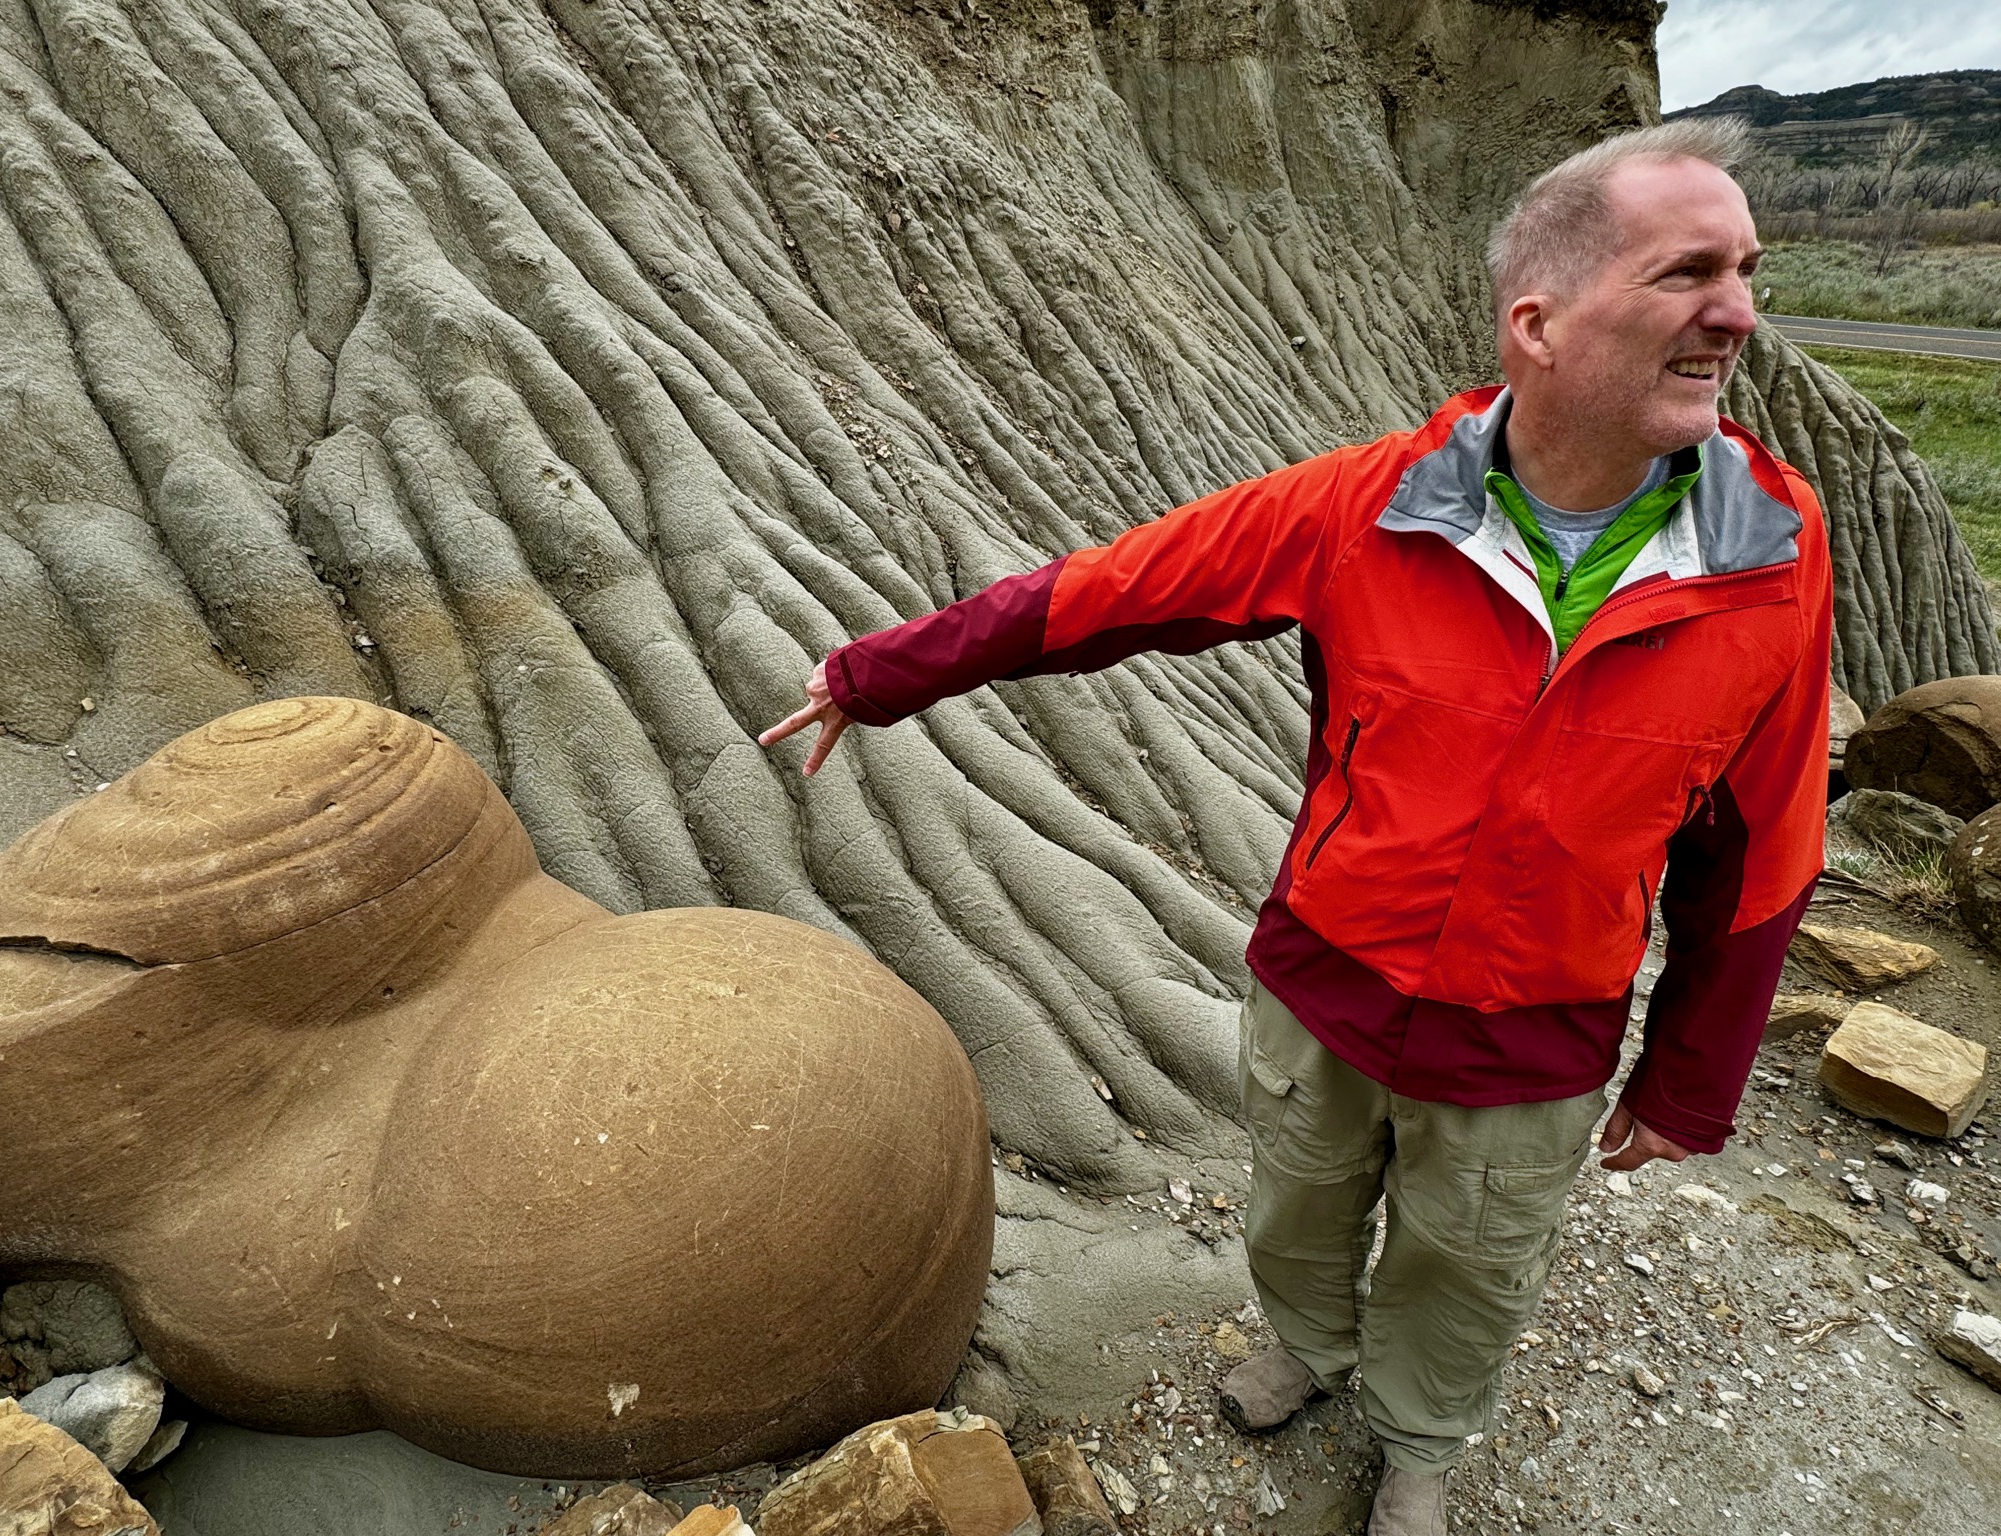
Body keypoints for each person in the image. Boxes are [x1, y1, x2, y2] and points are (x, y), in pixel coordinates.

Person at [760, 117, 1828, 1535]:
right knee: (1301, 1206)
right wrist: (876, 675)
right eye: (1690, 272)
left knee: (1473, 1262)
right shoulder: (1369, 507)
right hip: (1329, 976)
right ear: (1541, 323)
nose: (1740, 311)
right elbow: (1112, 592)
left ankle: (1423, 1444)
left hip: (1538, 1027)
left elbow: (1761, 851)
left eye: (1747, 270)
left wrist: (1690, 1076)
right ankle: (1310, 1353)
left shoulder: (1771, 557)